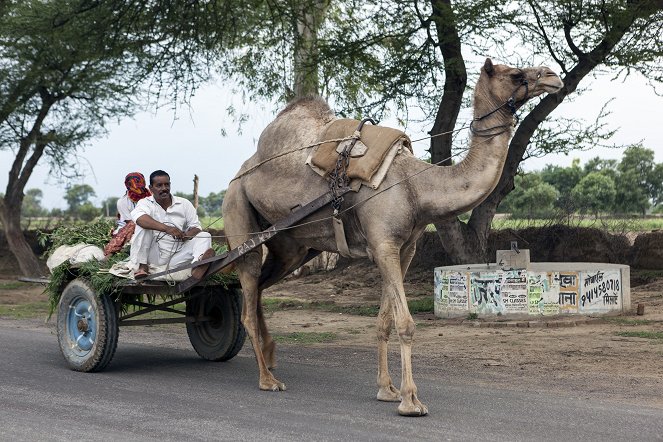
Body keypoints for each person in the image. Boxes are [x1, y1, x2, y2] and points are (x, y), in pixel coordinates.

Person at [129, 170, 214, 280]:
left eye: (167, 184)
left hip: (178, 256)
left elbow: (196, 227)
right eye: (159, 185)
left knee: (205, 236)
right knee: (143, 227)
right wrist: (167, 229)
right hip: (154, 257)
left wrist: (187, 235)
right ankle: (142, 267)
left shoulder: (184, 204)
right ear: (151, 188)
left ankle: (197, 266)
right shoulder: (145, 203)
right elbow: (140, 219)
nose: (164, 188)